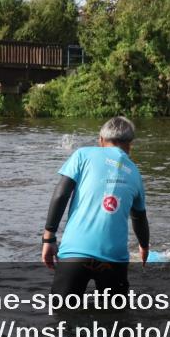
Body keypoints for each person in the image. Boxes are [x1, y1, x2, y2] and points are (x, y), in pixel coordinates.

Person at [41, 116, 149, 298]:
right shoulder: (135, 173)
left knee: (61, 318)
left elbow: (61, 194)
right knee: (115, 321)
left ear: (100, 140)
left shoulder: (83, 155)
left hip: (75, 252)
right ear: (130, 144)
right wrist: (144, 246)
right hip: (114, 259)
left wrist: (48, 238)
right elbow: (139, 217)